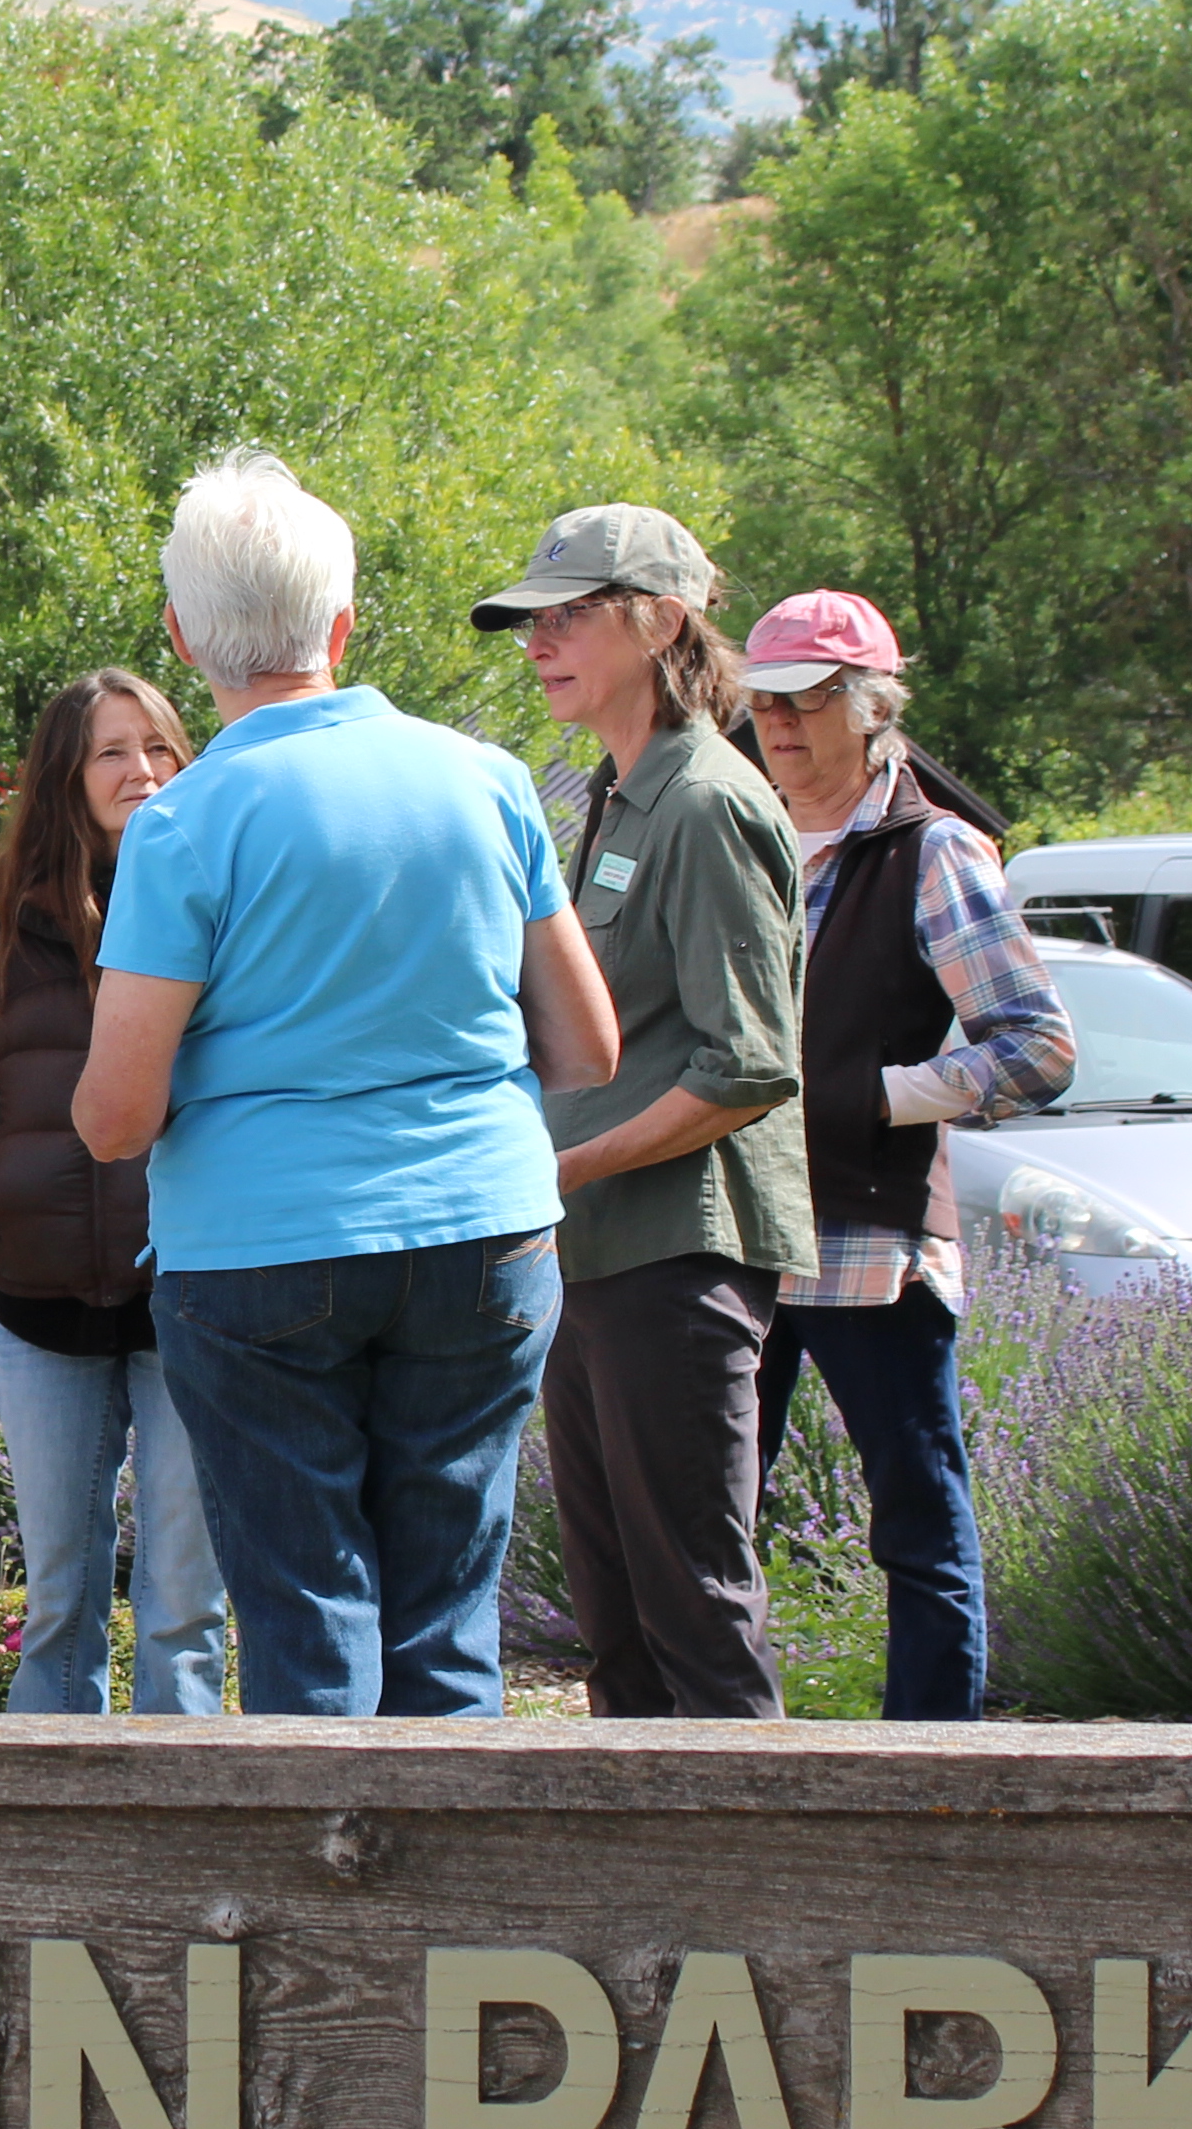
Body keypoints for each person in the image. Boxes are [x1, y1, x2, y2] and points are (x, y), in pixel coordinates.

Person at [69, 453, 618, 1718]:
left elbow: (113, 1118)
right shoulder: (484, 781)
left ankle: (320, 1913)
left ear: (181, 634)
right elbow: (588, 1051)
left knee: (309, 1621)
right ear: (343, 622)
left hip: (260, 1251)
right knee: (449, 1621)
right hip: (483, 1228)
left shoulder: (184, 824)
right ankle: (452, 1906)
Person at [477, 509, 816, 1717]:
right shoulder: (617, 797)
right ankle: (627, 1903)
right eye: (535, 620)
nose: (540, 642)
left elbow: (749, 1065)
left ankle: (762, 1896)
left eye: (570, 615)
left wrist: (566, 1172)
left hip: (680, 1261)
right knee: (612, 1627)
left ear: (662, 620)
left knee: (697, 1615)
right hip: (598, 1259)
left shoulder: (710, 801)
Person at [739, 589, 1073, 1722]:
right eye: (766, 699)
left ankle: (934, 1770)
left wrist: (871, 1096)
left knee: (918, 1523)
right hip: (733, 1230)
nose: (781, 723)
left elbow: (1036, 1049)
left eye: (810, 698)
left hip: (869, 1246)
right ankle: (731, 1758)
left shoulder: (932, 852)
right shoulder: (742, 828)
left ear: (874, 707)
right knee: (709, 1521)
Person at [0, 670, 225, 1715]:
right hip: (41, 1312)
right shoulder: (1, 937)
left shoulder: (220, 905)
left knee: (186, 1606)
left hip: (190, 1295)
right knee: (58, 1601)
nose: (142, 770)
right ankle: (46, 1850)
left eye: (159, 746)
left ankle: (180, 1844)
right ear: (65, 776)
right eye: (113, 750)